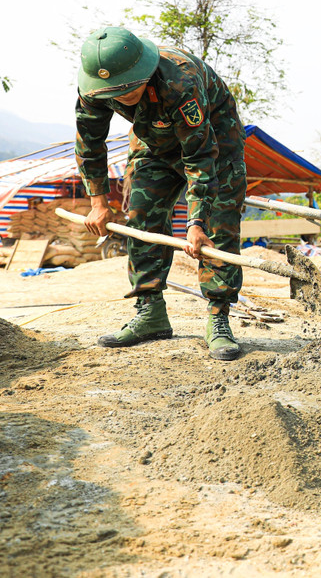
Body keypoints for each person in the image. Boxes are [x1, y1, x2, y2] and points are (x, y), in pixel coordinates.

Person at [75, 26, 248, 361]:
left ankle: (218, 317)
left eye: (128, 89)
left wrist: (196, 222)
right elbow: (89, 143)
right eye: (114, 92)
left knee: (217, 225)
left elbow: (199, 158)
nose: (121, 96)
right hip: (151, 141)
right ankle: (150, 313)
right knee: (140, 216)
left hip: (215, 143)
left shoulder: (179, 82)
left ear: (145, 71)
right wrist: (98, 202)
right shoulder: (96, 87)